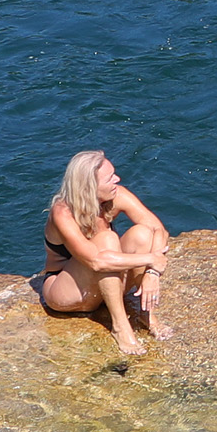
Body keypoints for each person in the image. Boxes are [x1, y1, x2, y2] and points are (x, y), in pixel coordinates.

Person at [37, 150, 172, 355]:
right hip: (68, 291)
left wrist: (152, 274)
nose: (117, 179)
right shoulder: (63, 212)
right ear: (89, 187)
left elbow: (158, 229)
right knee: (107, 239)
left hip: (104, 284)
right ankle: (120, 328)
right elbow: (96, 262)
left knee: (143, 234)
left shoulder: (115, 195)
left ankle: (147, 314)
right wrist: (153, 259)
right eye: (110, 178)